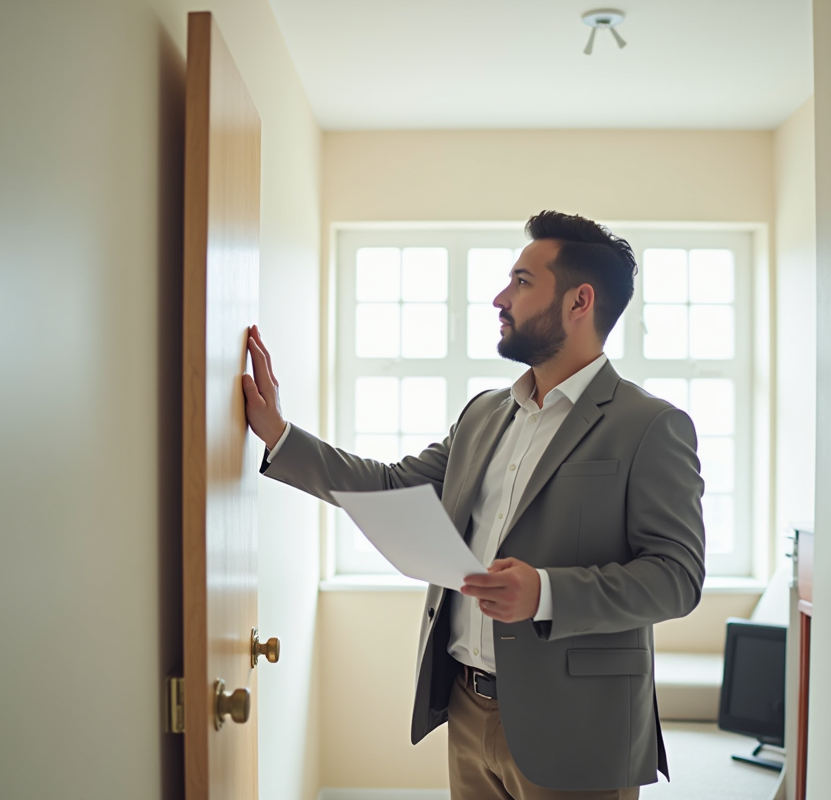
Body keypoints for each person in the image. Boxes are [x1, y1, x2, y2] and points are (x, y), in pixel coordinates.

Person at [242, 210, 705, 800]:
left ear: (579, 301)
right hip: (466, 708)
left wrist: (546, 592)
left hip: (579, 729)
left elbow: (677, 577)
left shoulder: (651, 425)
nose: (498, 297)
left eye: (521, 281)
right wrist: (278, 433)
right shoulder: (484, 413)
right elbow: (392, 486)